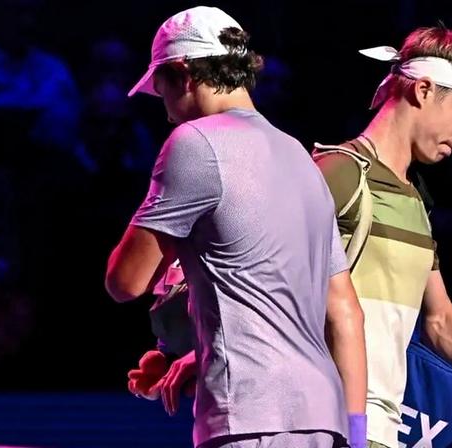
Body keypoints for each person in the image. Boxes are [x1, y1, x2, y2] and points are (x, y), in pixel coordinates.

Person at [104, 7, 366, 448]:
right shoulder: (302, 158)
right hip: (325, 419)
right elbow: (344, 311)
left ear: (184, 74)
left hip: (249, 417)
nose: (167, 115)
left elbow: (124, 282)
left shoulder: (194, 142)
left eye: (162, 92)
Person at [312, 26, 452, 448]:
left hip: (379, 430)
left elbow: (440, 320)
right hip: (323, 425)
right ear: (423, 90)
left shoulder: (414, 201)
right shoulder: (338, 173)